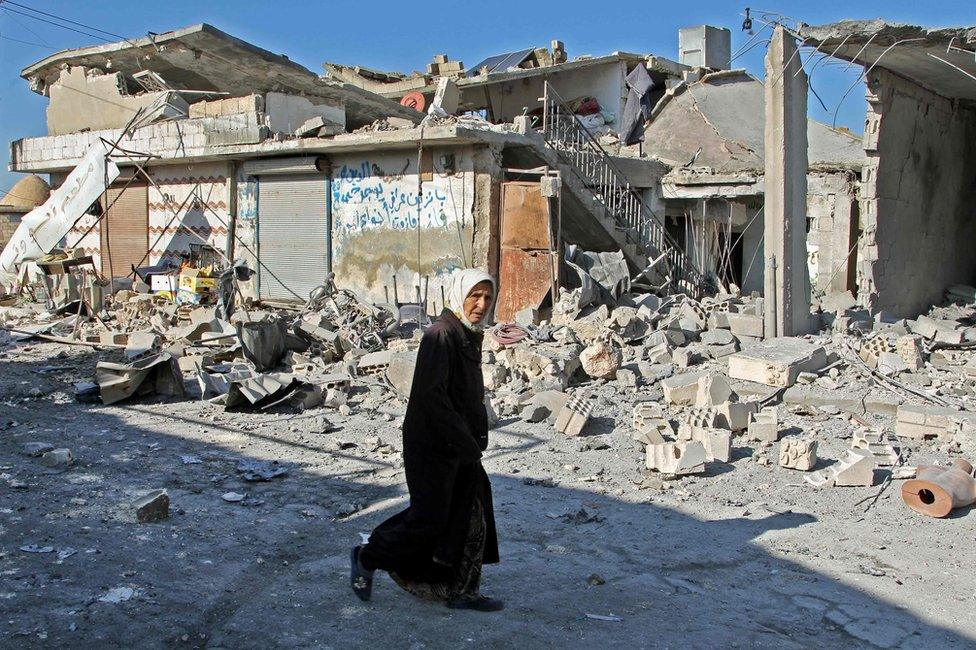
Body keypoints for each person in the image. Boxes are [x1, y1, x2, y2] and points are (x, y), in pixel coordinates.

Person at [350, 268, 503, 612]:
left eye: (487, 297)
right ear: (458, 295)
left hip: (460, 445)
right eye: (474, 296)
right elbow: (431, 398)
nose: (481, 304)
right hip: (433, 447)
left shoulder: (466, 332)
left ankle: (462, 590)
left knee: (471, 513)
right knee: (428, 519)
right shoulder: (441, 335)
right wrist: (465, 441)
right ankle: (367, 556)